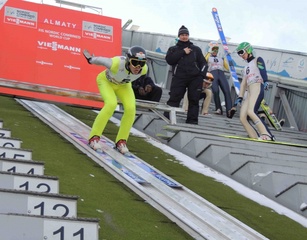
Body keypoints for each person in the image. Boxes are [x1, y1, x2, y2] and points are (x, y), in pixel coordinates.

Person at [83, 46, 148, 154]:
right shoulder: (116, 63)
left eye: (142, 63)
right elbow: (101, 60)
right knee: (111, 104)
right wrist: (91, 59)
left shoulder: (144, 69)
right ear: (128, 60)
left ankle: (121, 141)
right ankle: (94, 138)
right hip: (106, 82)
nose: (138, 67)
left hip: (124, 86)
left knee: (131, 109)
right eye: (135, 62)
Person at [164, 25, 208, 124]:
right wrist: (183, 52)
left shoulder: (196, 49)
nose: (184, 36)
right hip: (179, 77)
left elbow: (204, 63)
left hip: (195, 78)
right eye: (182, 35)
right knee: (174, 98)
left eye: (186, 34)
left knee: (194, 99)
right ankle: (167, 118)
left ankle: (192, 121)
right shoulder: (173, 49)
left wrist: (201, 76)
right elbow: (169, 60)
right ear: (179, 36)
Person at [234, 42, 275, 141]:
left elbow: (263, 70)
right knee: (243, 117)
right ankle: (254, 136)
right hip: (249, 91)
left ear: (248, 50)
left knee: (251, 111)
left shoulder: (258, 59)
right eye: (239, 54)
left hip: (257, 85)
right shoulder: (245, 67)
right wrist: (240, 96)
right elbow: (243, 83)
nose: (241, 55)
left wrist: (265, 81)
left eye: (242, 52)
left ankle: (268, 135)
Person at [205, 41, 233, 118]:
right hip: (212, 73)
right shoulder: (208, 57)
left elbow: (228, 67)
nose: (215, 51)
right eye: (213, 50)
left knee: (226, 91)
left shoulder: (221, 58)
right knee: (215, 91)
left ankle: (229, 110)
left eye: (216, 50)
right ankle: (218, 108)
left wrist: (229, 57)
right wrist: (209, 51)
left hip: (221, 73)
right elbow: (204, 60)